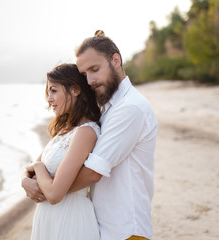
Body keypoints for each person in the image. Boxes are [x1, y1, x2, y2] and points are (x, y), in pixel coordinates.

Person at [23, 30, 158, 240]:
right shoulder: (108, 108)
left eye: (95, 69)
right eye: (85, 74)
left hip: (124, 228)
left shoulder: (130, 108)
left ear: (116, 60)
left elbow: (93, 172)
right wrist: (26, 180)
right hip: (102, 224)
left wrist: (47, 189)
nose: (90, 80)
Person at [22, 63, 101, 240]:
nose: (49, 99)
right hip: (48, 217)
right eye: (48, 93)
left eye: (54, 91)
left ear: (75, 90)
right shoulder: (64, 129)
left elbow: (54, 193)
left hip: (70, 219)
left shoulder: (86, 132)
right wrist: (24, 180)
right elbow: (30, 170)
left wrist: (37, 166)